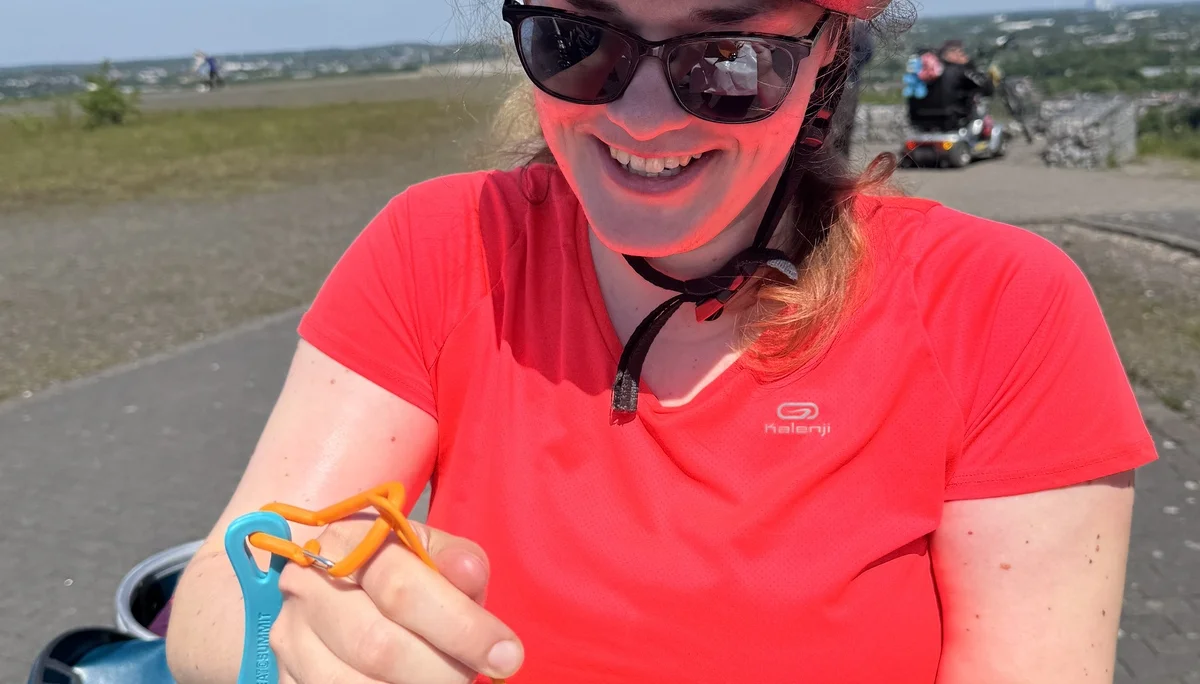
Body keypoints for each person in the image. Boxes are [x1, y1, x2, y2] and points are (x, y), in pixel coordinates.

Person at [166, 0, 1156, 682]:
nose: (641, 118)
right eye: (576, 40)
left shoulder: (1000, 309)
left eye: (727, 56)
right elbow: (215, 593)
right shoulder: (445, 247)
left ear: (826, 58)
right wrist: (291, 640)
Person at [830, 19, 875, 157]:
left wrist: (850, 62)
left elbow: (867, 53)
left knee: (842, 127)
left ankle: (838, 161)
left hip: (847, 82)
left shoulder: (858, 27)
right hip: (834, 82)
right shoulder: (837, 21)